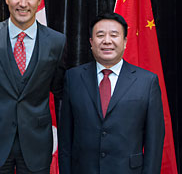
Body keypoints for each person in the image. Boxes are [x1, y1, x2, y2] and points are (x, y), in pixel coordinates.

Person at [0, 0, 66, 174]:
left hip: (37, 145)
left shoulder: (56, 42)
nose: (23, 3)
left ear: (39, 0)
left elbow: (61, 94)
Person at [58, 12, 165, 174]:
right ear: (91, 43)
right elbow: (65, 139)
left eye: (114, 35)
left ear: (125, 42)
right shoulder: (73, 78)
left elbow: (154, 142)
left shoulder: (147, 81)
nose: (107, 41)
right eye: (100, 35)